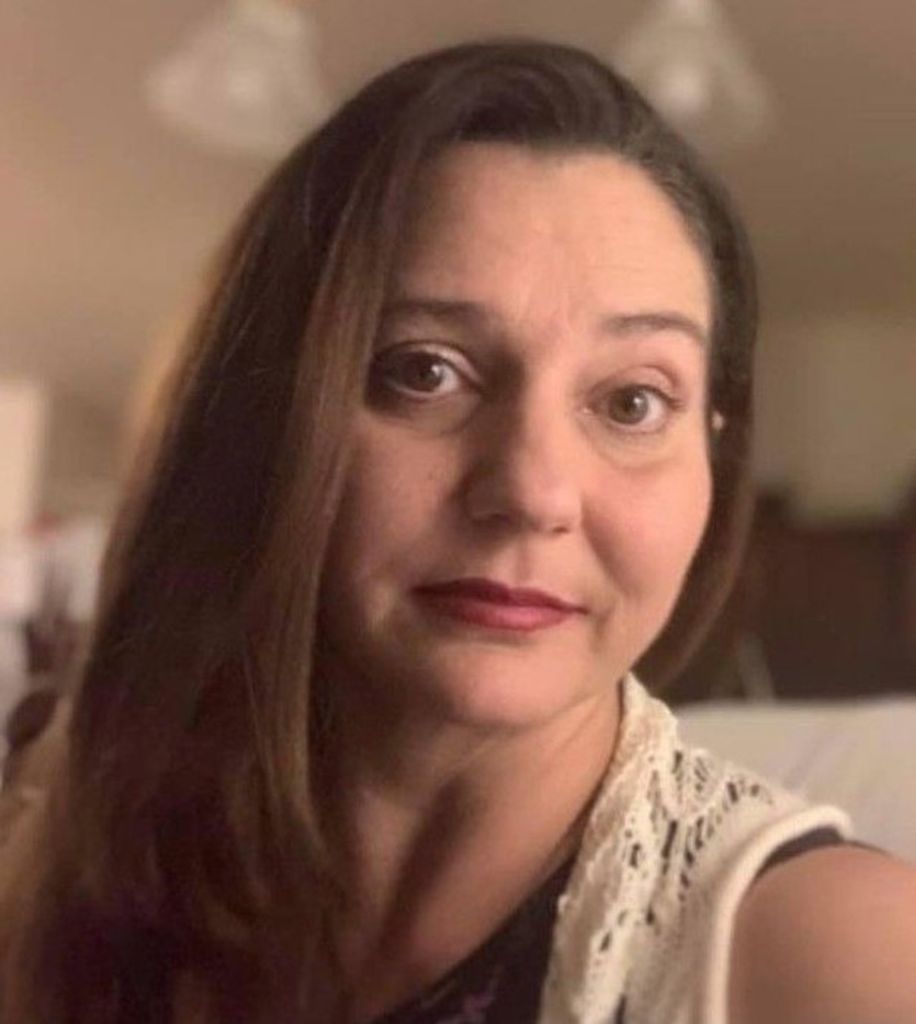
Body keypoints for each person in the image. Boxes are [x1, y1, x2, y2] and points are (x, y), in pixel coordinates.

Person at [1, 38, 915, 1024]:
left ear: (713, 460)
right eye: (425, 371)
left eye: (633, 402)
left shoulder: (834, 957)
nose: (531, 490)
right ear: (263, 419)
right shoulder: (65, 842)